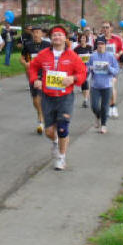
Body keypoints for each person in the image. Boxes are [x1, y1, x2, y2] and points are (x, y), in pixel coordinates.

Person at [29, 25, 86, 171]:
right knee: (49, 131)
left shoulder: (72, 56)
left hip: (65, 97)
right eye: (54, 35)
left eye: (60, 35)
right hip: (48, 97)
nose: (57, 37)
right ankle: (55, 142)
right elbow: (33, 67)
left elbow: (82, 72)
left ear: (65, 38)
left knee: (62, 128)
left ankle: (61, 157)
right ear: (51, 38)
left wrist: (73, 78)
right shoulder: (43, 54)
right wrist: (35, 79)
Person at [20, 26, 50, 134]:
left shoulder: (47, 45)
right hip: (33, 75)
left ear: (42, 34)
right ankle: (40, 114)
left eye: (38, 32)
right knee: (35, 100)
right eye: (34, 32)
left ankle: (41, 119)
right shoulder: (28, 45)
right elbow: (21, 58)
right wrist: (26, 64)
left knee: (42, 97)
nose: (36, 34)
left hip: (45, 74)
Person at [87, 36, 119, 134]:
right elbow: (87, 68)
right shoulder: (93, 56)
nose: (100, 46)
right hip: (95, 85)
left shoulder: (110, 56)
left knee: (105, 107)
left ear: (105, 45)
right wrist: (90, 68)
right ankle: (98, 116)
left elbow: (116, 70)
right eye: (98, 44)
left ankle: (103, 125)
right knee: (94, 106)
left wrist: (109, 68)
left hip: (107, 85)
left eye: (102, 44)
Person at [101, 21, 123, 118]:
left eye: (107, 27)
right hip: (102, 66)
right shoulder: (99, 39)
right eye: (103, 27)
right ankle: (107, 106)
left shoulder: (117, 39)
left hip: (113, 66)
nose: (105, 29)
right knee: (104, 87)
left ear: (111, 28)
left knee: (111, 86)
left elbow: (122, 49)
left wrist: (118, 54)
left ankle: (113, 107)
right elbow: (94, 50)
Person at [73, 33, 93, 108]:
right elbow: (74, 59)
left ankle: (85, 100)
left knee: (86, 81)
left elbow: (92, 57)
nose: (82, 39)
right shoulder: (76, 49)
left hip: (88, 68)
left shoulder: (89, 47)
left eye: (84, 38)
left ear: (86, 39)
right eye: (81, 38)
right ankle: (85, 99)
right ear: (79, 39)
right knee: (83, 83)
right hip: (80, 69)